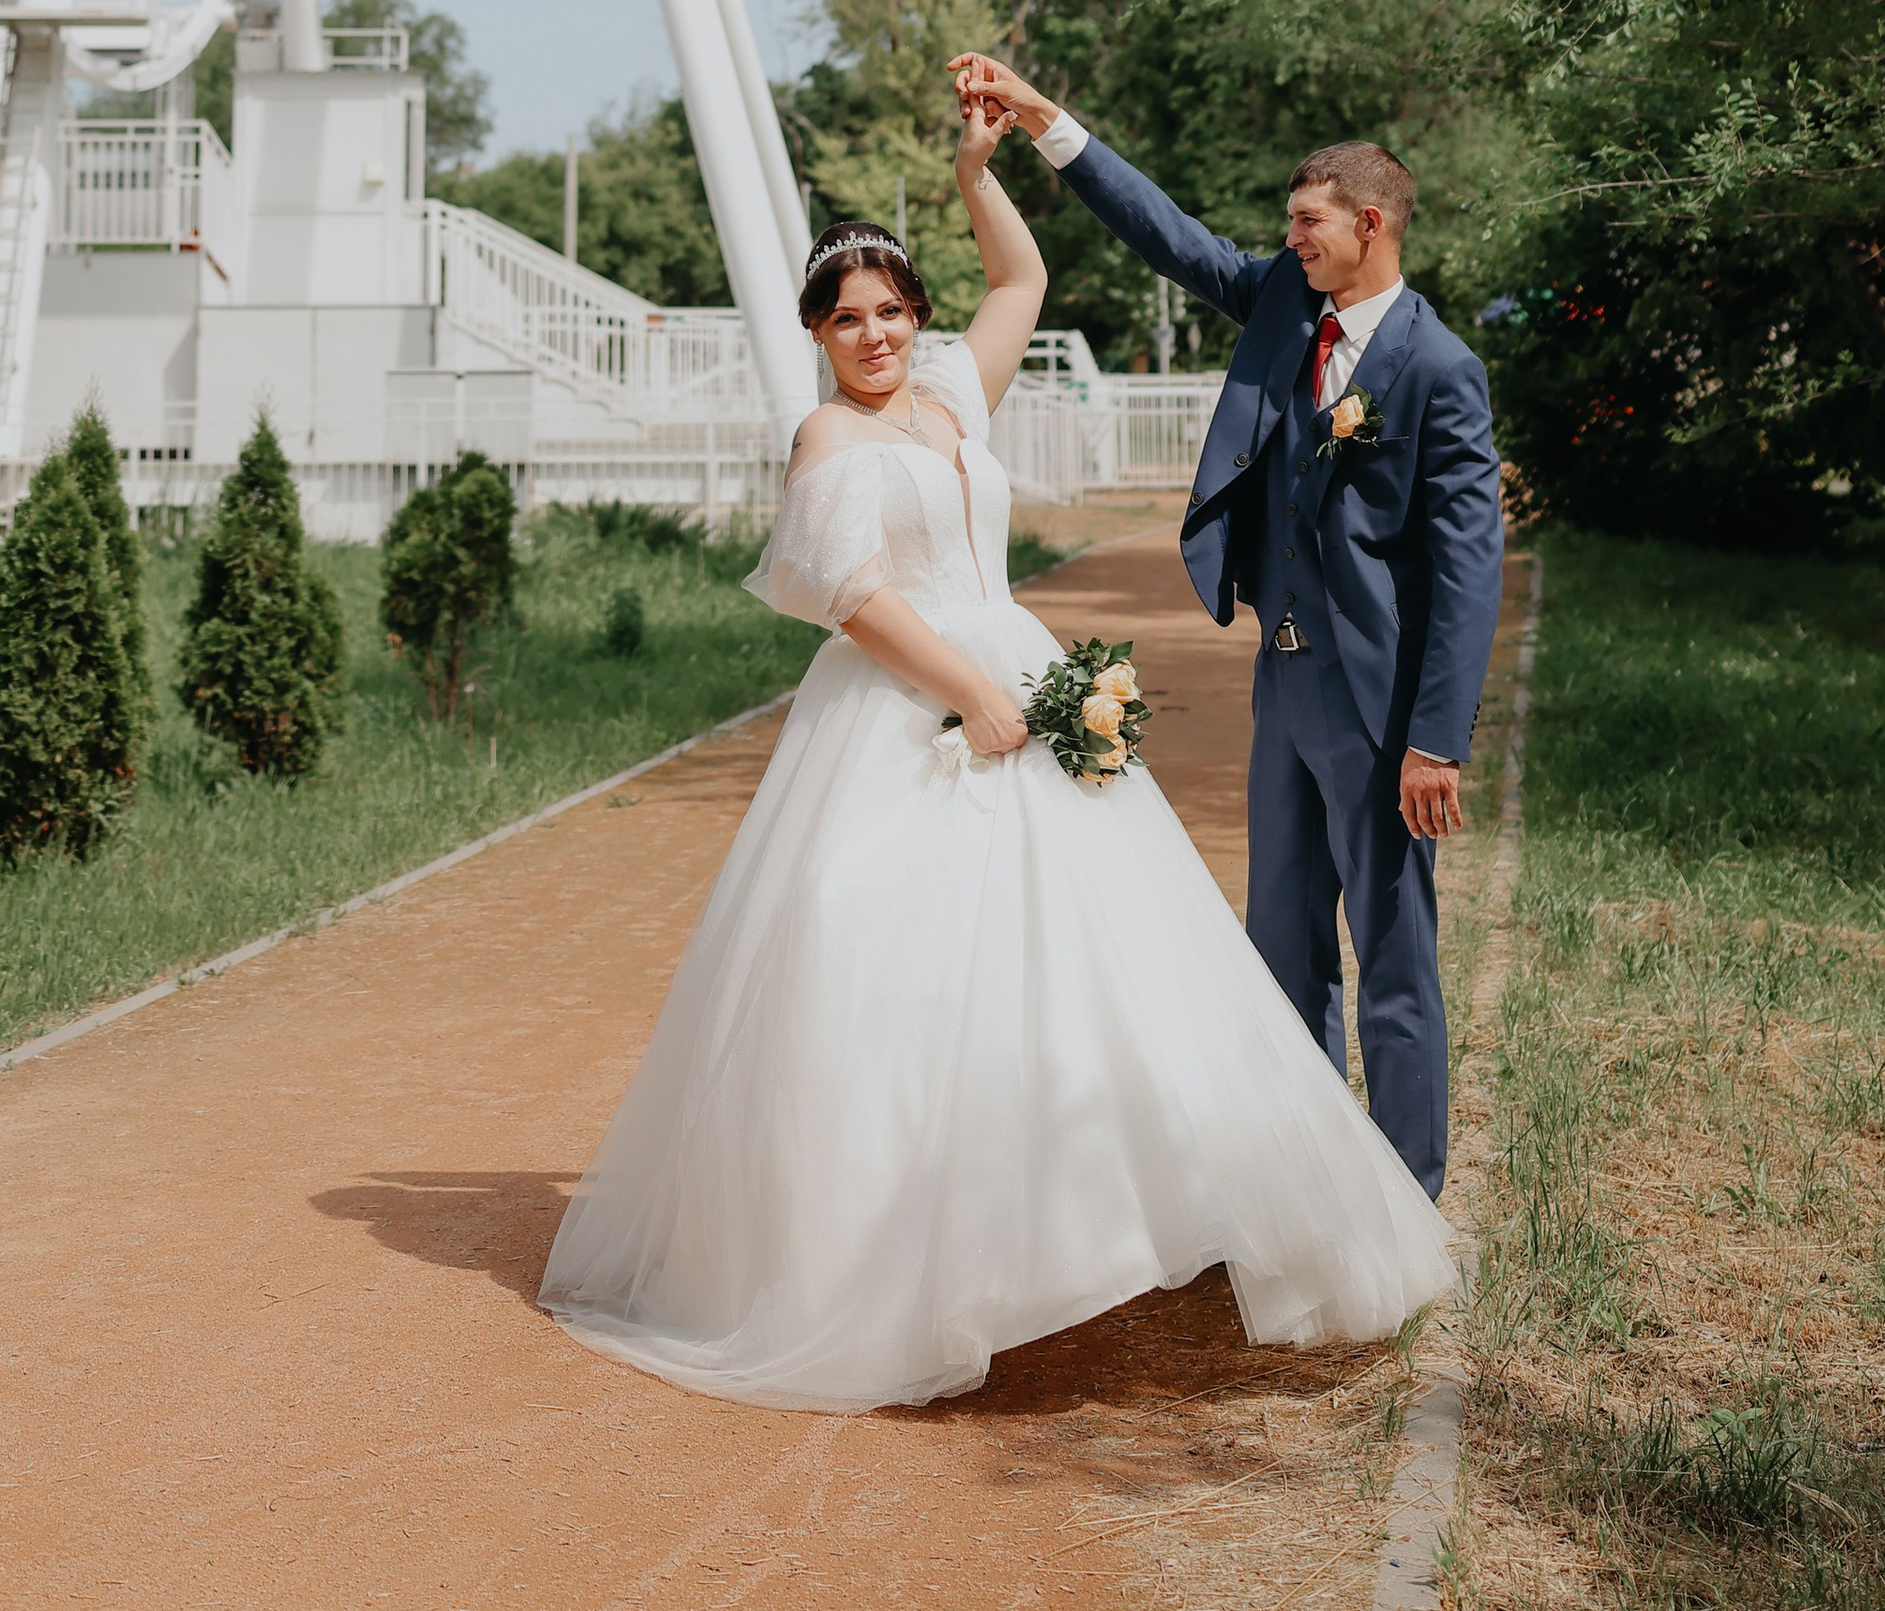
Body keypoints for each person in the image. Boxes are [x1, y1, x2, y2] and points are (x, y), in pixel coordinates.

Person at [536, 91, 1457, 1413]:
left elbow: (1020, 274)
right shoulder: (830, 440)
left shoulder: (952, 391)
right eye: (849, 318)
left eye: (894, 311)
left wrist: (983, 169)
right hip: (908, 706)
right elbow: (853, 596)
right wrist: (974, 692)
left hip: (1020, 680)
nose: (877, 335)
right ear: (816, 333)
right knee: (889, 968)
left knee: (1111, 958)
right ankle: (896, 1261)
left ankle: (1104, 1220)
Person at [951, 62, 1501, 1201]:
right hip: (1285, 687)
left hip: (1383, 707)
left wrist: (1435, 739)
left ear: (1369, 221)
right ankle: (1305, 1186)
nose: (1286, 239)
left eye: (1305, 222)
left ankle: (1405, 1196)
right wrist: (1047, 119)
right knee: (1281, 950)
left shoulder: (1442, 370)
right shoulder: (1281, 306)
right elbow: (1169, 234)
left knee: (1392, 960)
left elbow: (1466, 567)